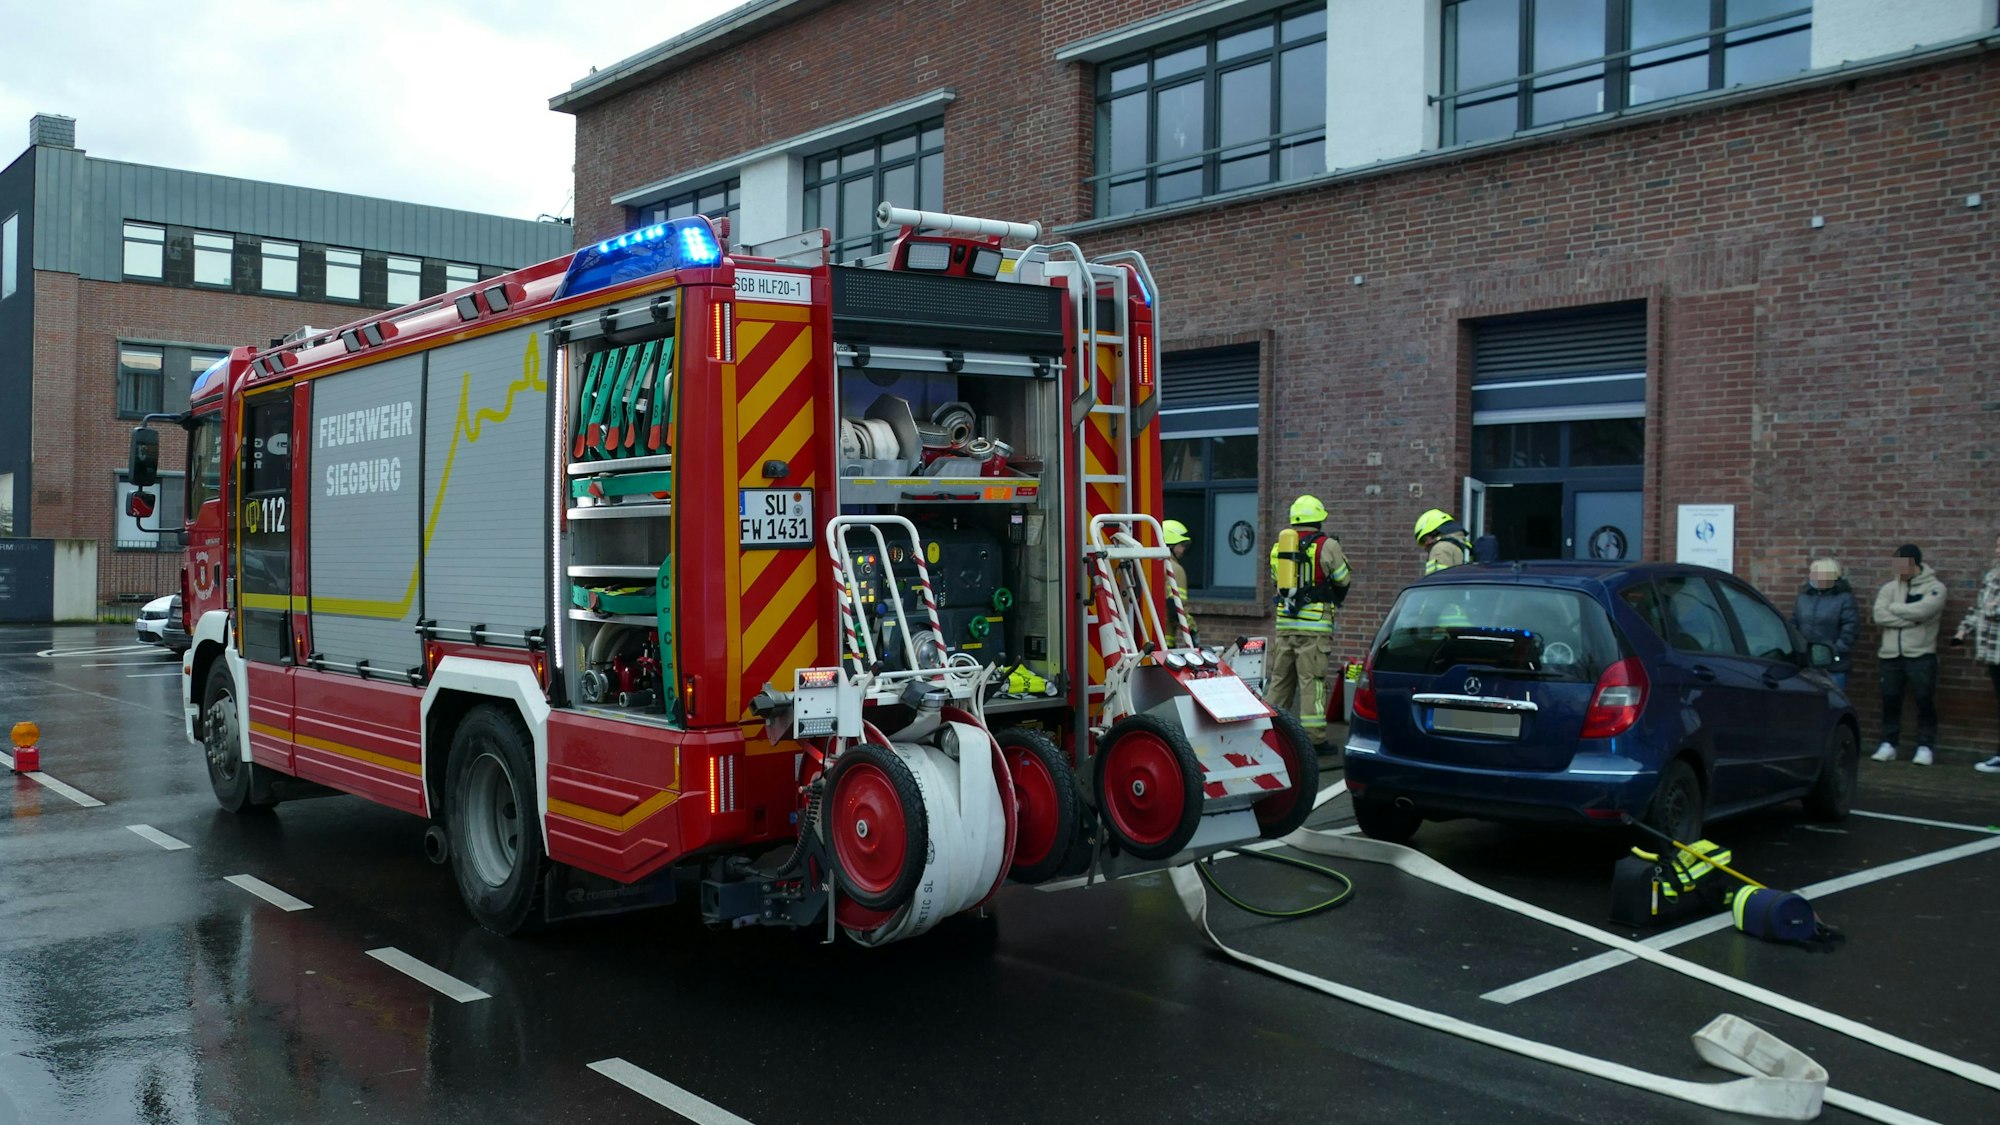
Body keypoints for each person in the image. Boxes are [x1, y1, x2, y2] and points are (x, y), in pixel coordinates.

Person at [1267, 494, 1352, 748]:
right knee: (1311, 682)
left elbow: (1277, 581)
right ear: (1318, 519)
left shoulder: (1278, 547)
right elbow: (1343, 579)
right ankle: (1314, 741)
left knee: (1280, 681)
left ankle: (1269, 733)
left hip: (1285, 624)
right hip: (1314, 627)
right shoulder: (1328, 546)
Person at [1869, 544, 1948, 765]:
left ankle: (1925, 746)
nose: (1896, 570)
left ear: (1914, 564)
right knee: (1890, 699)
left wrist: (1894, 608)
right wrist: (1910, 618)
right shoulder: (1889, 588)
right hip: (1890, 655)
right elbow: (1879, 615)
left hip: (1921, 654)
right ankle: (1889, 743)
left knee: (1924, 700)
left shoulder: (1935, 588)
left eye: (1901, 565)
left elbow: (1924, 611)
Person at [1951, 531, 2000, 773]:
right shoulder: (1992, 576)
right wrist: (1962, 631)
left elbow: (1992, 610)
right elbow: (1980, 608)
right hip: (1993, 653)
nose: (1998, 551)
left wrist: (1994, 608)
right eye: (1998, 546)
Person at [1791, 557, 1860, 691]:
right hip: (1806, 662)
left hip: (1833, 665)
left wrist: (1832, 651)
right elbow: (1795, 622)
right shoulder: (1803, 597)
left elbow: (1850, 629)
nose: (1814, 577)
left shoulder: (1844, 599)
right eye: (1813, 573)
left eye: (1819, 574)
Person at [1162, 518, 1198, 644]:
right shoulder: (1175, 569)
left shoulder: (1148, 565)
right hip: (1166, 642)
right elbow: (1177, 606)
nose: (1183, 550)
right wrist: (1192, 628)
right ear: (1170, 545)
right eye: (1181, 545)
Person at [1414, 508, 1474, 574]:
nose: (1425, 545)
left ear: (1434, 533)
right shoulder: (1465, 545)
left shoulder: (1441, 549)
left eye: (1425, 539)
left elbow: (1437, 581)